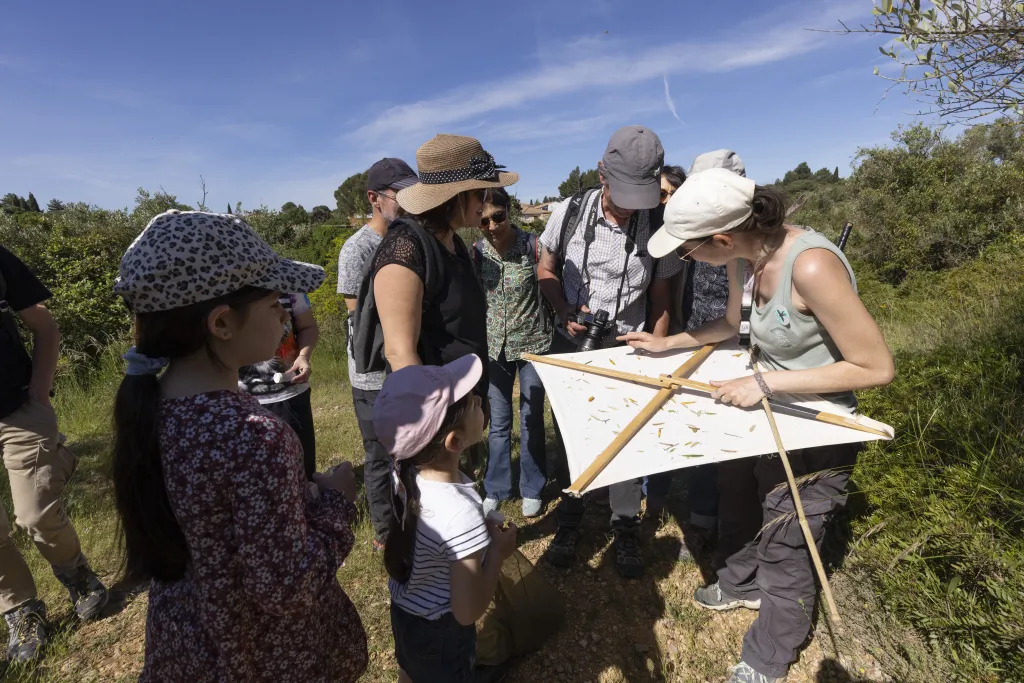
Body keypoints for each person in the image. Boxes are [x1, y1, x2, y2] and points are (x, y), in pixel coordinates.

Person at [624, 169, 895, 683]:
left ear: (722, 237)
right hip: (763, 414)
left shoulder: (810, 266)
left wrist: (769, 385)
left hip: (816, 427)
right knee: (738, 493)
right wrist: (670, 343)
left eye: (687, 251)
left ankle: (769, 655)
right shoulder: (745, 259)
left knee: (786, 535)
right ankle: (740, 582)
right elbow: (731, 324)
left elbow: (876, 366)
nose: (687, 260)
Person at [111, 210, 367, 683]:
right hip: (263, 656)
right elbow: (285, 586)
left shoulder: (151, 407)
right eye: (274, 302)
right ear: (223, 322)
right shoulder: (254, 434)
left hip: (189, 643)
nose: (286, 312)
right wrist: (335, 500)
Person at [536, 125, 681, 578]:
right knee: (571, 441)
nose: (631, 206)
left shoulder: (661, 224)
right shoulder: (569, 211)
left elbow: (662, 300)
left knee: (626, 443)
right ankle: (570, 518)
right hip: (573, 345)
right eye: (623, 192)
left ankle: (624, 527)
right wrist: (563, 310)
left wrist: (658, 348)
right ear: (602, 173)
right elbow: (546, 266)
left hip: (630, 352)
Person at [374, 355, 517, 683]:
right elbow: (467, 613)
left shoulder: (404, 475)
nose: (480, 400)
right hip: (442, 632)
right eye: (473, 403)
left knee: (410, 670)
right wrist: (496, 554)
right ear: (455, 442)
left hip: (405, 611)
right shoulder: (461, 514)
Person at [0, 246, 109, 663]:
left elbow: (43, 325)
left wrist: (40, 390)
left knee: (36, 514)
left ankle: (77, 575)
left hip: (18, 408)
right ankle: (21, 611)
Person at [370, 133, 518, 418]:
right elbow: (400, 354)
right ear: (454, 196)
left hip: (464, 404)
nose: (487, 201)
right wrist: (438, 431)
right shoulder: (405, 248)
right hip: (438, 417)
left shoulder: (452, 241)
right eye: (481, 193)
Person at [646, 150, 747, 560]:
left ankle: (713, 525)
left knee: (725, 442)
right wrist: (669, 340)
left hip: (737, 353)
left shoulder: (741, 244)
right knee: (691, 428)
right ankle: (685, 512)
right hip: (697, 339)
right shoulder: (693, 234)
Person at [337, 157, 419, 550]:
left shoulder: (411, 238)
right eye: (400, 194)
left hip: (406, 366)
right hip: (371, 375)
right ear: (374, 199)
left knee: (413, 448)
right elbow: (360, 321)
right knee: (378, 455)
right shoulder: (357, 250)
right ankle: (386, 533)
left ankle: (415, 520)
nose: (408, 202)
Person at [473, 187, 552, 519]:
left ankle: (532, 487)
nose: (492, 226)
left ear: (510, 212)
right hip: (495, 349)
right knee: (499, 422)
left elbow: (548, 285)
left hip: (533, 344)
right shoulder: (475, 253)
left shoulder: (533, 246)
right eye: (484, 221)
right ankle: (497, 487)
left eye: (498, 217)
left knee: (532, 417)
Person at [237, 291, 320, 480]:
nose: (283, 315)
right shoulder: (226, 282)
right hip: (242, 402)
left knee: (302, 472)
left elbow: (308, 326)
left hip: (291, 397)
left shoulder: (290, 283)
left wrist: (303, 357)